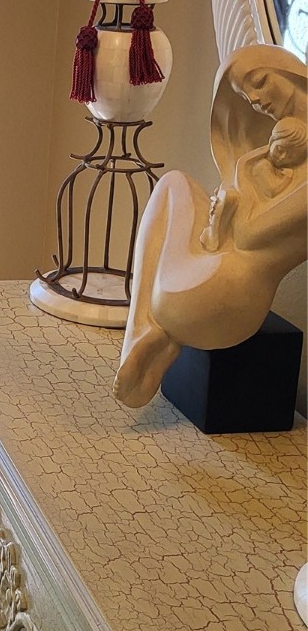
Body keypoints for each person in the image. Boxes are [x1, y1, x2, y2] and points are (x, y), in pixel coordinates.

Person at [114, 44, 307, 409]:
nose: (254, 100)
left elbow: (249, 234)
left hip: (220, 294)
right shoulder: (275, 155)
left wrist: (241, 187)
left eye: (260, 81)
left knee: (173, 185)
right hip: (209, 287)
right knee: (176, 184)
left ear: (293, 74)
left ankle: (144, 332)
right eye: (245, 95)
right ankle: (156, 334)